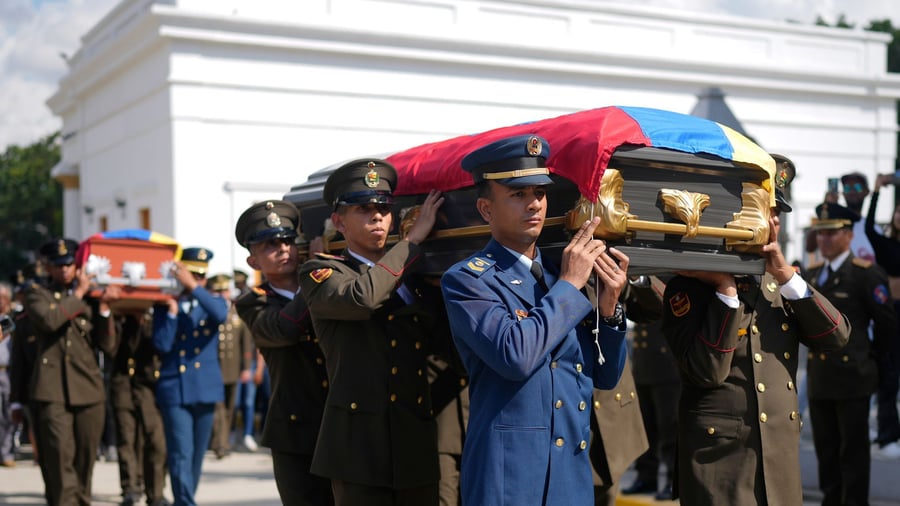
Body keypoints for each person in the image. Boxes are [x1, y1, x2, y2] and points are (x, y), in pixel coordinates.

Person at [440, 135, 629, 505]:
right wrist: (571, 285)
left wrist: (609, 310)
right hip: (509, 481)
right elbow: (516, 356)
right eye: (518, 194)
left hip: (570, 479)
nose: (534, 204)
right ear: (485, 209)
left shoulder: (560, 275)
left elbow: (604, 376)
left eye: (540, 193)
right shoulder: (468, 280)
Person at [660, 160, 852, 505]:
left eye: (776, 213)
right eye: (764, 210)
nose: (773, 222)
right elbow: (707, 372)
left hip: (778, 462)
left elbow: (836, 337)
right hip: (721, 464)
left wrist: (786, 274)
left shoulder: (778, 283)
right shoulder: (689, 285)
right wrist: (725, 291)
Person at [297, 159, 445, 505]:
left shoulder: (414, 279)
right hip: (357, 450)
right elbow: (362, 298)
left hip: (414, 444)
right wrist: (411, 242)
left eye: (384, 209)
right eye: (364, 209)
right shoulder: (321, 273)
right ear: (338, 222)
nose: (377, 217)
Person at [233, 199, 333, 505]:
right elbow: (286, 328)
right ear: (253, 262)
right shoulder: (253, 303)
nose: (283, 249)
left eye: (288, 241)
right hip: (294, 432)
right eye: (270, 245)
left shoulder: (326, 280)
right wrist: (316, 274)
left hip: (339, 421)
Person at [805, 201, 897, 505]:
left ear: (848, 234)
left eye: (831, 233)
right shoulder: (813, 274)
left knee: (853, 456)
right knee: (826, 453)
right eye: (821, 233)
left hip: (853, 377)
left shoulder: (865, 274)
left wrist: (872, 360)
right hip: (820, 378)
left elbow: (886, 326)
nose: (824, 239)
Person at [17, 238, 121, 505]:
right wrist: (78, 294)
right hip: (51, 391)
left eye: (68, 264)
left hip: (88, 390)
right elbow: (50, 321)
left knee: (84, 462)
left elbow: (108, 346)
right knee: (60, 460)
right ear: (48, 267)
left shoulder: (92, 298)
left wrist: (105, 310)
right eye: (58, 265)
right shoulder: (37, 294)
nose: (64, 269)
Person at [152, 247, 227, 506]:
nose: (197, 280)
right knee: (181, 452)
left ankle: (184, 501)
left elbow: (221, 315)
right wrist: (172, 313)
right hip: (176, 388)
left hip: (205, 387)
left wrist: (194, 287)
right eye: (192, 275)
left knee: (196, 456)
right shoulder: (166, 304)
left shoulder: (213, 301)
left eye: (201, 276)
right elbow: (162, 345)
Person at [618, 275, 678, 501]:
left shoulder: (667, 276)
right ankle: (647, 476)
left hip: (667, 366)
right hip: (644, 365)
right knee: (646, 428)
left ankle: (673, 480)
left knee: (669, 429)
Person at [110, 309, 168, 506]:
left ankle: (155, 491)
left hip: (149, 385)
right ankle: (130, 488)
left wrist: (144, 322)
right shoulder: (118, 319)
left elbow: (161, 344)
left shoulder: (157, 317)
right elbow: (110, 347)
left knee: (155, 440)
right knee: (126, 439)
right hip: (123, 383)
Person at [865, 173, 900, 459]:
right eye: (898, 212)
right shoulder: (885, 244)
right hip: (890, 314)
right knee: (888, 376)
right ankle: (888, 433)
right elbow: (868, 227)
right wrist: (876, 193)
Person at [207, 273, 253, 459]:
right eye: (218, 291)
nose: (222, 294)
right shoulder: (210, 312)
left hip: (233, 369)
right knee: (218, 408)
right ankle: (220, 444)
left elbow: (246, 342)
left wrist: (246, 367)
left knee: (230, 407)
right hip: (215, 368)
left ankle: (223, 440)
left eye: (224, 290)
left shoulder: (237, 312)